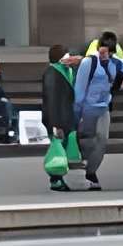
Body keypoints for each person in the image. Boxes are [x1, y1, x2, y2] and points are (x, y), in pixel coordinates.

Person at [70, 32, 123, 191]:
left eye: (109, 53)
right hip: (87, 107)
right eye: (104, 52)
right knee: (88, 139)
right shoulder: (88, 63)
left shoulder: (115, 62)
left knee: (102, 139)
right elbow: (80, 90)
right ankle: (84, 164)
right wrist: (76, 115)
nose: (106, 56)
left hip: (103, 107)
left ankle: (91, 172)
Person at [40, 44, 79, 191]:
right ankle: (56, 179)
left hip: (66, 116)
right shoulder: (52, 73)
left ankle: (57, 178)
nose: (68, 57)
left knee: (61, 148)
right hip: (57, 118)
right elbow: (51, 100)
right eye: (66, 55)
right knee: (57, 148)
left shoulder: (66, 70)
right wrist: (55, 124)